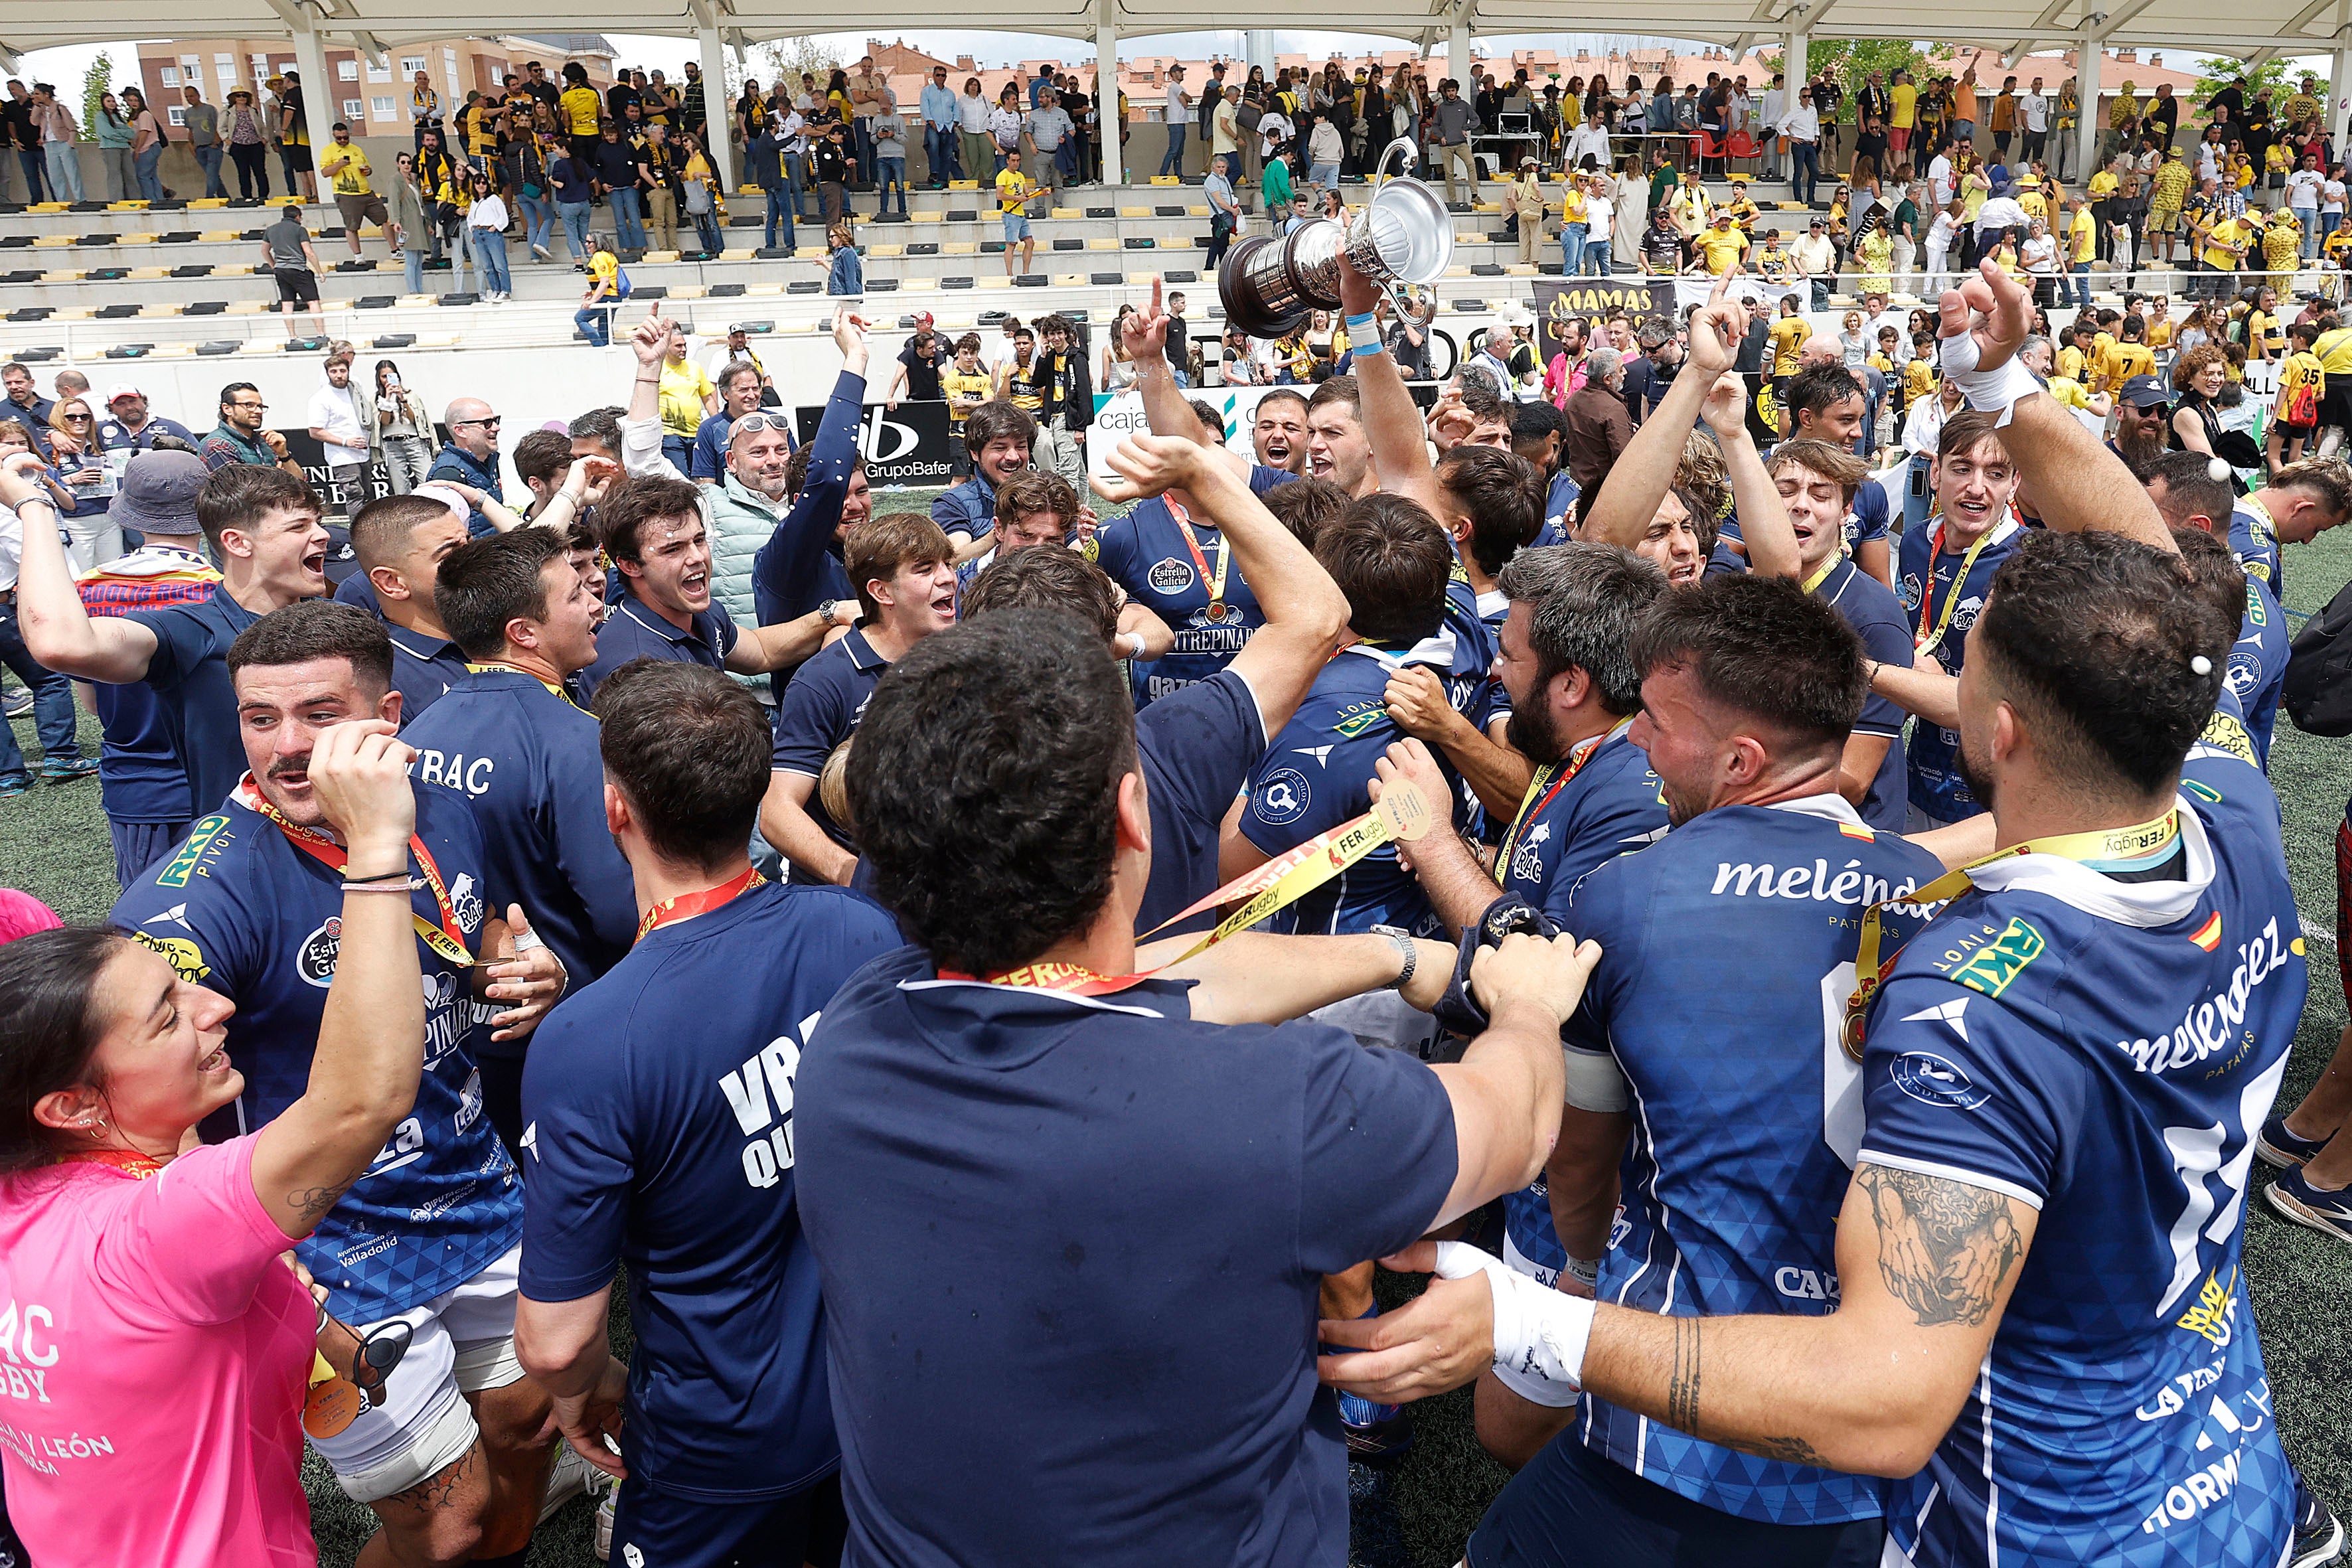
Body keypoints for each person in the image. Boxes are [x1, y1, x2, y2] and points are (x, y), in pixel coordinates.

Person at [1325, 256, 2350, 1568]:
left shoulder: (1973, 996)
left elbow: (1879, 1394)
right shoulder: (2228, 814)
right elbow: (2154, 579)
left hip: (2039, 1535)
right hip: (2231, 1486)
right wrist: (2001, 385)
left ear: (1998, 726)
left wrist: (1532, 1324)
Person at [797, 597, 1598, 1566]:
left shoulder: (858, 1026)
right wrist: (1525, 1007)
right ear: (1131, 817)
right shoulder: (1275, 1104)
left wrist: (1389, 956)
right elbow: (1511, 1125)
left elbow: (1147, 980)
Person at [107, 599, 578, 1567]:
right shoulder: (190, 898)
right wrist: (268, 1277)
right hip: (330, 1257)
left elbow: (473, 938)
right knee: (441, 1524)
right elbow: (143, 1129)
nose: (286, 747)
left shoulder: (434, 808)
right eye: (259, 718)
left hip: (477, 1193)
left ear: (388, 714)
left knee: (528, 1427)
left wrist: (525, 967)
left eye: (320, 714)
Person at [0, 713, 430, 1567]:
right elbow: (360, 1102)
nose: (216, 1007)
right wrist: (378, 847)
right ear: (73, 1105)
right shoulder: (153, 1236)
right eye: (168, 1017)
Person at [514, 658, 899, 1568]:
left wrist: (588, 1386)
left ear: (616, 809)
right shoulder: (863, 931)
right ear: (757, 790)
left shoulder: (592, 1038)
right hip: (877, 1394)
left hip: (719, 1435)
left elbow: (557, 1336)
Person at [12, 461, 329, 824]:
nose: (322, 535)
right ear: (237, 543)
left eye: (318, 522)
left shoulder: (338, 619)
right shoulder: (193, 629)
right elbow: (59, 643)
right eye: (300, 526)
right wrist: (34, 507)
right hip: (237, 852)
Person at [757, 513, 959, 886]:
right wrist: (851, 874)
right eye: (925, 569)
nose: (947, 577)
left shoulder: (967, 659)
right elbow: (777, 811)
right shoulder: (825, 681)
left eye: (948, 563)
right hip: (857, 906)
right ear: (881, 592)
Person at [339, 492, 473, 724]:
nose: (474, 559)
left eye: (469, 544)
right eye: (451, 554)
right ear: (391, 583)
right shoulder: (381, 678)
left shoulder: (501, 630)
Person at [305, 349, 371, 526]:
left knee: (367, 494)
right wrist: (345, 442)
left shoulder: (355, 390)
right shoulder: (320, 398)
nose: (339, 375)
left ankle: (370, 530)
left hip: (364, 451)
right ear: (327, 374)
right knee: (355, 495)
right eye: (334, 372)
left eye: (342, 371)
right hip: (342, 457)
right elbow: (315, 431)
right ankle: (358, 533)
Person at [196, 381, 307, 479]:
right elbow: (239, 493)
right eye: (249, 405)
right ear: (227, 409)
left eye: (260, 406)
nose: (258, 411)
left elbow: (300, 482)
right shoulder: (216, 445)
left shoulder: (265, 442)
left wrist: (284, 455)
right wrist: (279, 478)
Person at [320, 122, 387, 260]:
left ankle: (395, 250)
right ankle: (358, 256)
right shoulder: (328, 150)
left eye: (346, 137)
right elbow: (325, 173)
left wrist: (368, 171)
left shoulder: (356, 149)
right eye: (339, 138)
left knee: (384, 220)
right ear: (334, 136)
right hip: (346, 194)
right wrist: (338, 164)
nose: (343, 140)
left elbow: (367, 167)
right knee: (352, 226)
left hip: (365, 191)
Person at [259, 203, 325, 342]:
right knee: (313, 301)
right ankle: (321, 333)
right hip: (298, 269)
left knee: (287, 303)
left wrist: (273, 266)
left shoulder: (270, 230)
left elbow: (264, 251)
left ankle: (292, 336)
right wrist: (319, 272)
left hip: (281, 270)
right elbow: (308, 252)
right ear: (297, 216)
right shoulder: (300, 230)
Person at [1160, 63, 1191, 176]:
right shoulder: (1174, 86)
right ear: (1173, 74)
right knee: (1174, 150)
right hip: (1176, 122)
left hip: (1180, 122)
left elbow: (1188, 100)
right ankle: (1163, 173)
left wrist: (1185, 96)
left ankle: (1179, 174)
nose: (1182, 74)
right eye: (1179, 72)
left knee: (1179, 152)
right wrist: (1185, 97)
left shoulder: (1180, 88)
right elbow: (1186, 103)